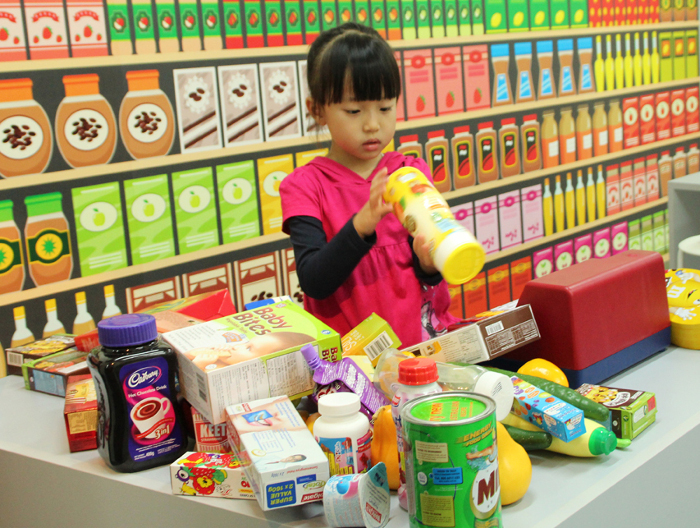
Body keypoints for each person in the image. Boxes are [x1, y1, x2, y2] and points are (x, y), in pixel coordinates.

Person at [280, 22, 458, 348]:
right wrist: (363, 223)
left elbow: (428, 278)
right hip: (352, 368)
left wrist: (430, 262)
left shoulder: (409, 171)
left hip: (421, 352)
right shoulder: (304, 186)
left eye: (385, 107)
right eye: (354, 110)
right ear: (317, 110)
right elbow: (315, 281)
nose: (372, 123)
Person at [184, 331, 314, 370]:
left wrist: (199, 366)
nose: (235, 346)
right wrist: (204, 351)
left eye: (248, 348)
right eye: (245, 343)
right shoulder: (221, 362)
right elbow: (186, 355)